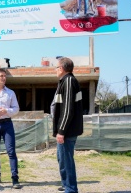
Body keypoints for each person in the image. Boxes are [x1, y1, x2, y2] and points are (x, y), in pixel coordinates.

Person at [51, 57, 84, 193]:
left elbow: (68, 109)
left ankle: (71, 189)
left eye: (56, 67)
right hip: (66, 130)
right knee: (62, 159)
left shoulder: (69, 81)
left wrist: (61, 131)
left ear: (62, 68)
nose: (55, 70)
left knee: (67, 161)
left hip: (67, 131)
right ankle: (66, 184)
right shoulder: (64, 81)